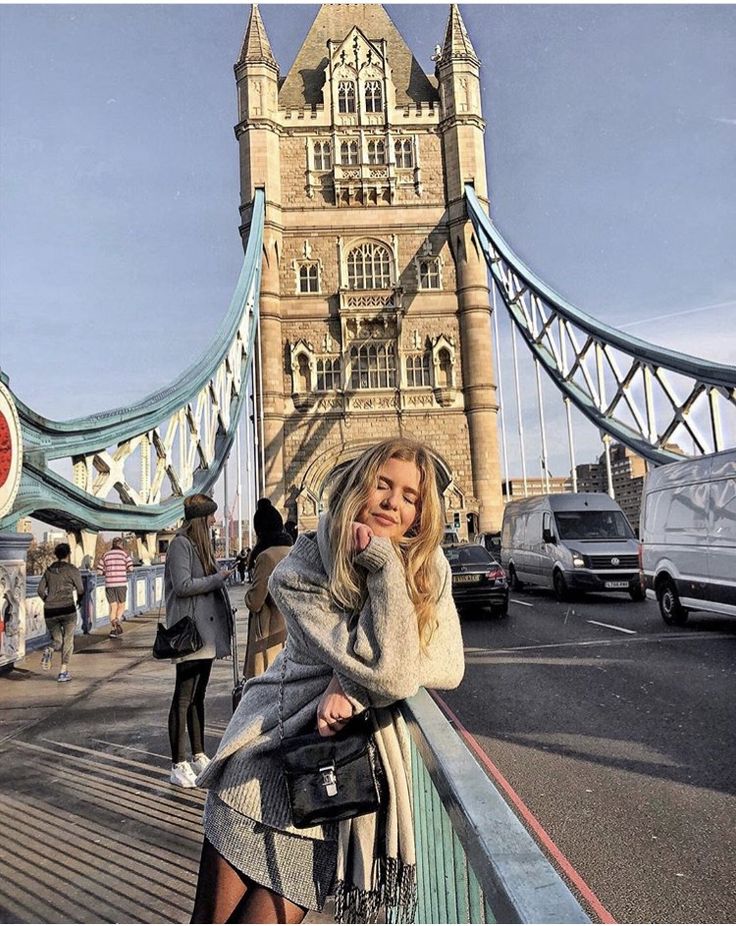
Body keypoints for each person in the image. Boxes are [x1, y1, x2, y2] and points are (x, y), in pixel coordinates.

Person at [191, 437, 465, 924]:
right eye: (383, 485)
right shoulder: (303, 566)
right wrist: (382, 570)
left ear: (422, 514)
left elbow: (447, 664)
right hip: (260, 765)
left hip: (328, 792)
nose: (392, 502)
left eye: (410, 496)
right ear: (360, 485)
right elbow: (395, 670)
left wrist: (351, 684)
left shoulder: (430, 568)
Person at [165, 493, 234, 789]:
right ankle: (177, 764)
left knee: (198, 696)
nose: (215, 521)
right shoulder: (180, 544)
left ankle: (198, 754)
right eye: (211, 516)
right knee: (183, 698)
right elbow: (182, 586)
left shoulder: (199, 546)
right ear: (201, 518)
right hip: (189, 635)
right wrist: (216, 579)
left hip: (204, 635)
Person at [243, 499, 293, 680]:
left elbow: (255, 602)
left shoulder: (266, 557)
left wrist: (248, 595)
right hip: (288, 631)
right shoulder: (291, 551)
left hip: (268, 631)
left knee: (264, 686)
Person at [38, 543, 84, 683]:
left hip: (50, 610)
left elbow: (40, 590)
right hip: (67, 609)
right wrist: (79, 601)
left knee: (57, 640)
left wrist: (48, 600)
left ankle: (51, 649)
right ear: (68, 554)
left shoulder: (49, 570)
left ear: (56, 554)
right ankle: (63, 671)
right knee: (68, 640)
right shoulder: (72, 570)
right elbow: (81, 589)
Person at [97, 537, 134, 638]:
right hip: (121, 583)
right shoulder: (124, 554)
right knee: (121, 605)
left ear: (112, 545)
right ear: (121, 545)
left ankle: (113, 629)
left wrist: (107, 572)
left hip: (109, 584)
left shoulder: (106, 554)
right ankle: (117, 619)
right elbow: (131, 568)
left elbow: (99, 571)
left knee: (113, 606)